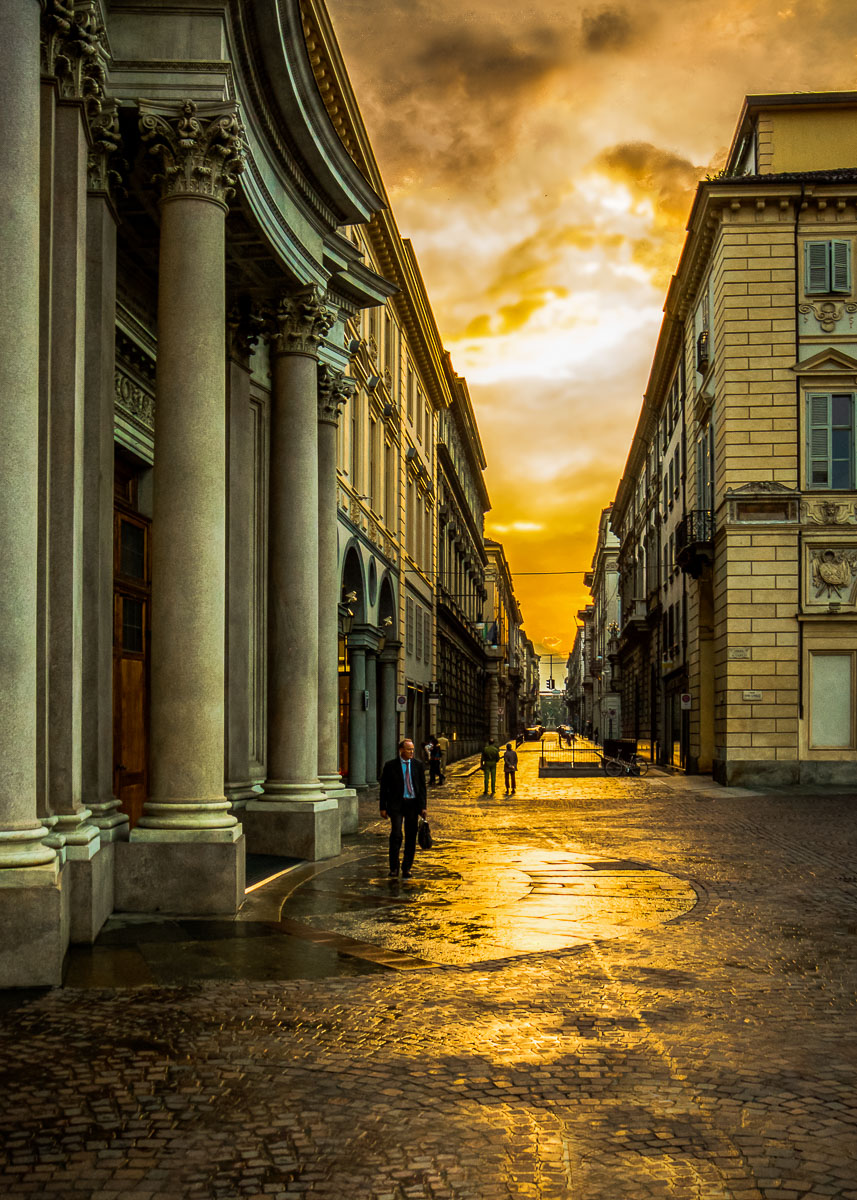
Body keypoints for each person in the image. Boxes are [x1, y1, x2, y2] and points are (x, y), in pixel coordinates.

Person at [379, 738, 427, 879]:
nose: (411, 752)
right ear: (401, 750)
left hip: (412, 805)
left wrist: (423, 807)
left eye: (412, 749)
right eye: (408, 749)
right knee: (396, 835)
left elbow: (422, 788)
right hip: (396, 805)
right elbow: (384, 788)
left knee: (411, 837)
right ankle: (394, 868)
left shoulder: (418, 765)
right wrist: (383, 807)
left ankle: (407, 868)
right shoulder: (390, 766)